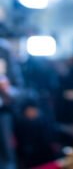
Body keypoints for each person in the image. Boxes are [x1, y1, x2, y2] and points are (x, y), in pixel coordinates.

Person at [0, 38, 24, 169]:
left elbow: (18, 89)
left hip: (3, 112)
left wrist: (6, 89)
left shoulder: (3, 49)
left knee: (7, 158)